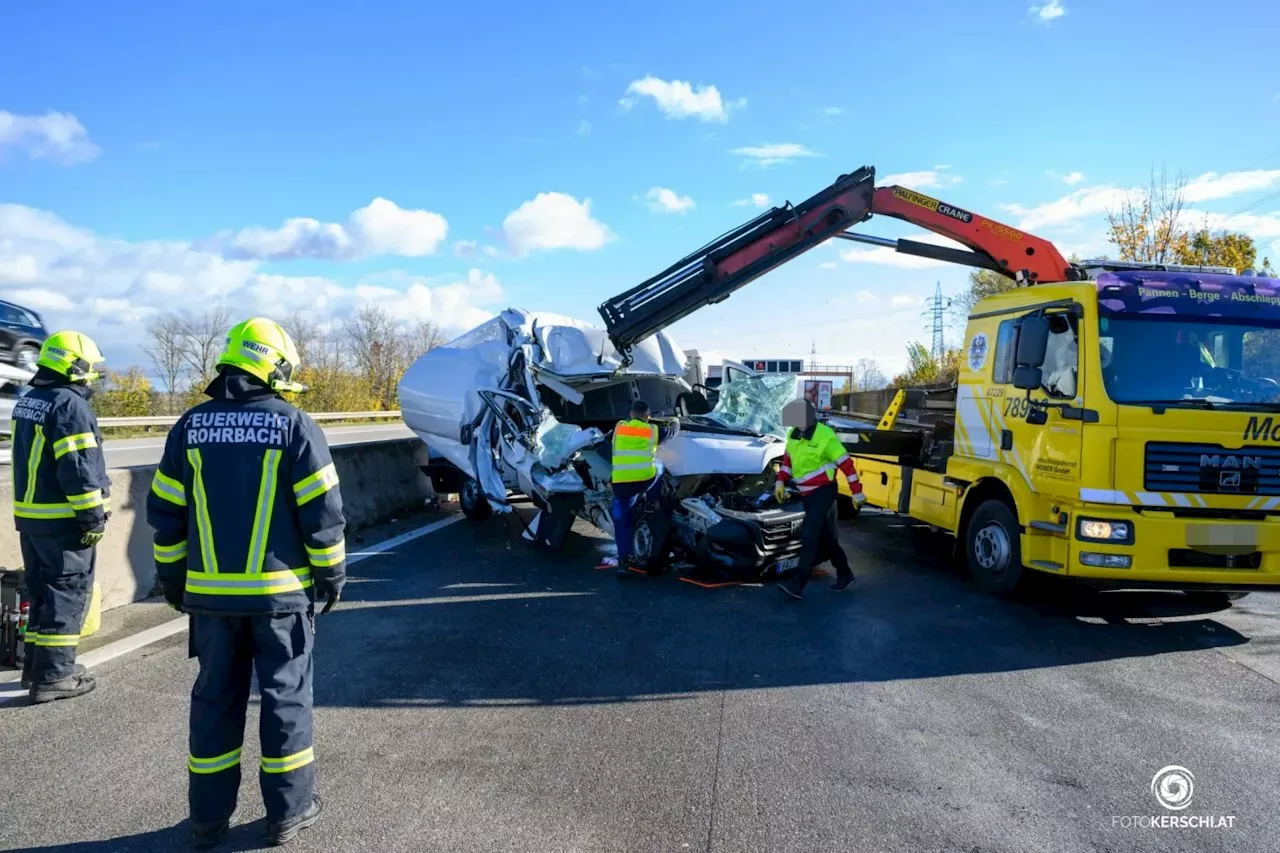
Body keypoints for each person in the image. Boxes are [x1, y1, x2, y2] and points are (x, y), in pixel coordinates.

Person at [146, 317, 347, 849]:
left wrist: (173, 580)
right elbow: (323, 514)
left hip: (211, 603)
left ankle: (207, 820)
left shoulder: (189, 427)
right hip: (279, 602)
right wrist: (331, 575)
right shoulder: (294, 425)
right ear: (274, 367)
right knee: (285, 702)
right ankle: (289, 812)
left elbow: (165, 515)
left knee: (214, 702)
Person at [12, 331, 109, 703]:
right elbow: (78, 468)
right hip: (63, 520)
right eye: (90, 367)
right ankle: (54, 677)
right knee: (66, 594)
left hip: (32, 519)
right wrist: (92, 518)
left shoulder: (30, 400)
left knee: (41, 593)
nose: (93, 374)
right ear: (75, 365)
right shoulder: (70, 405)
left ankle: (36, 668)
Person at [774, 399, 863, 600]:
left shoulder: (825, 436)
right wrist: (780, 481)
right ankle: (845, 574)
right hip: (807, 494)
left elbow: (847, 465)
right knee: (829, 539)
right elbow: (788, 463)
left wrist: (856, 492)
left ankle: (798, 585)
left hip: (824, 492)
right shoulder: (793, 435)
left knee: (809, 535)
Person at [607, 399, 677, 576]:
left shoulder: (620, 427)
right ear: (648, 417)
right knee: (659, 466)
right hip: (645, 480)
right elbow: (671, 432)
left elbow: (610, 441)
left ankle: (623, 562)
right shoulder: (652, 430)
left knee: (622, 522)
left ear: (630, 414)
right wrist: (675, 421)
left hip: (622, 483)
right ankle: (654, 502)